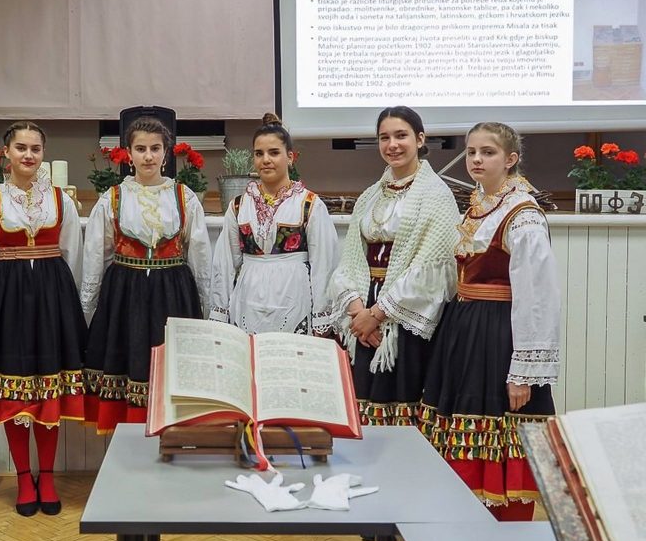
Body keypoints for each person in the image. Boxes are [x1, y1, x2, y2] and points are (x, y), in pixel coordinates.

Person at [420, 122, 560, 521]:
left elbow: (538, 299)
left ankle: (502, 531)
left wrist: (524, 372)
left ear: (511, 159)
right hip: (465, 330)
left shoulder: (523, 215)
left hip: (498, 335)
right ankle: (460, 524)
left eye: (489, 152)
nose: (477, 159)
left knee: (498, 426)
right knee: (460, 426)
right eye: (472, 152)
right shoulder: (480, 205)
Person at [0, 121, 86, 517]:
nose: (29, 155)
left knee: (47, 387)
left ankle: (47, 477)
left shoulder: (60, 200)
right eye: (21, 147)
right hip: (8, 300)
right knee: (16, 390)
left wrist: (71, 307)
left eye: (35, 148)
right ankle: (22, 478)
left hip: (53, 297)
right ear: (7, 153)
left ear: (43, 153)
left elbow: (73, 253)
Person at [327, 106, 459, 426]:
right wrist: (359, 312)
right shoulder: (370, 195)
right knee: (363, 397)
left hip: (403, 313)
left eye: (401, 136)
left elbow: (432, 266)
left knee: (401, 396)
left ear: (420, 139)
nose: (392, 145)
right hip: (366, 309)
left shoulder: (436, 195)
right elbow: (351, 258)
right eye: (384, 138)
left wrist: (379, 313)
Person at [81, 116, 211, 433]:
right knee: (128, 362)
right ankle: (128, 453)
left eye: (155, 148)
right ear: (128, 153)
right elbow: (97, 255)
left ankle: (170, 446)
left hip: (173, 295)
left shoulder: (184, 197)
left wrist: (207, 308)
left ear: (167, 153)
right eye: (141, 149)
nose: (148, 156)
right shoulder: (113, 198)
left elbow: (201, 255)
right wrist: (88, 310)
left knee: (171, 370)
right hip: (125, 296)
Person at [210, 113, 339, 335]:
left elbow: (324, 265)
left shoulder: (309, 204)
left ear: (290, 157)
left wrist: (321, 316)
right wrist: (220, 312)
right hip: (248, 299)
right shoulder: (239, 206)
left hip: (294, 297)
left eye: (274, 153)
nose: (265, 160)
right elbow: (224, 264)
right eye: (259, 153)